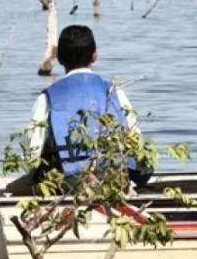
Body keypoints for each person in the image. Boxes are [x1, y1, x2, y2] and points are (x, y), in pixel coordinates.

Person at [28, 25, 150, 189]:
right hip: (115, 179)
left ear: (59, 59)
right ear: (95, 55)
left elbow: (32, 155)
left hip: (68, 184)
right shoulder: (115, 92)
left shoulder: (47, 97)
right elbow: (136, 143)